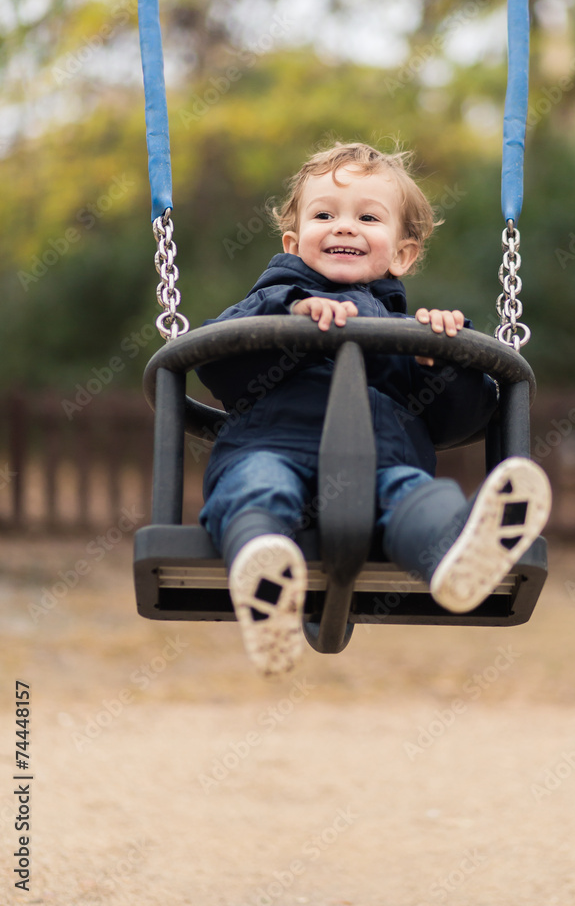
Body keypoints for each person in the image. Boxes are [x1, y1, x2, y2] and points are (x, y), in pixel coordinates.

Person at [197, 142, 551, 675]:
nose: (343, 227)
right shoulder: (267, 305)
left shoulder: (410, 336)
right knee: (257, 487)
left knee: (414, 495)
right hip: (271, 447)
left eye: (367, 216)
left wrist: (443, 361)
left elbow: (458, 421)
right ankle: (264, 568)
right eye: (324, 215)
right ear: (293, 242)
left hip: (379, 468)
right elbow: (218, 366)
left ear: (402, 254)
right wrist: (290, 317)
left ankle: (456, 557)